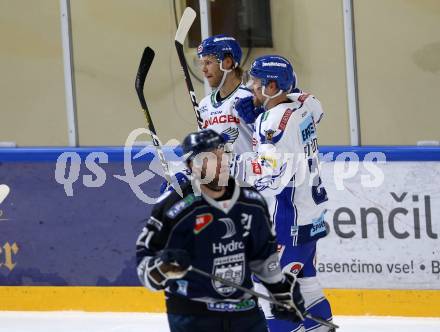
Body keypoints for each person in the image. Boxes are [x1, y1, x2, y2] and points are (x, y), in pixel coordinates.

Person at [136, 129, 306, 332]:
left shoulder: (251, 202)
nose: (222, 162)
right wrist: (161, 267)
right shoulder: (174, 207)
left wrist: (280, 290)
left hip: (245, 313)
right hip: (192, 316)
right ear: (193, 165)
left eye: (223, 154)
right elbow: (145, 264)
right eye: (211, 158)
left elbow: (263, 257)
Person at [239, 55, 334, 332]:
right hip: (312, 217)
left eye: (256, 83)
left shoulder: (270, 122)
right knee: (307, 286)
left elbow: (271, 177)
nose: (251, 88)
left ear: (272, 87)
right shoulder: (306, 104)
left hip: (289, 221)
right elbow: (316, 112)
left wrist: (221, 167)